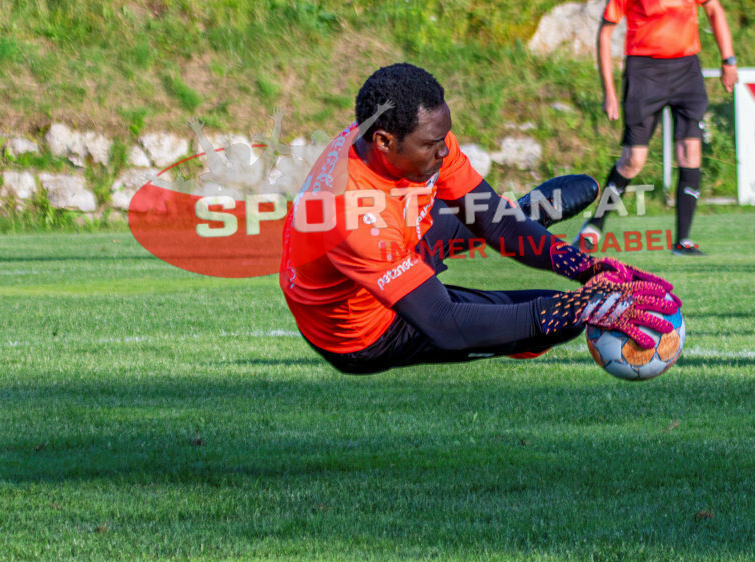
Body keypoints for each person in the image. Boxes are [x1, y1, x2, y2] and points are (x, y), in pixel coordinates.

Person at [279, 63, 680, 375]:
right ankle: (533, 222)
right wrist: (577, 309)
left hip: (390, 235)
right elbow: (445, 323)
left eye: (445, 136)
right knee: (554, 319)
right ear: (384, 141)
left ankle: (527, 212)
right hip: (360, 332)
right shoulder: (350, 214)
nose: (444, 151)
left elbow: (493, 221)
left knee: (495, 218)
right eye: (432, 144)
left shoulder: (404, 135)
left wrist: (584, 266)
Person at [579, 0, 739, 256]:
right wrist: (608, 91)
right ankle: (594, 225)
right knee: (633, 161)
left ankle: (682, 240)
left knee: (690, 152)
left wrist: (728, 60)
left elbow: (714, 9)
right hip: (645, 73)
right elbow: (605, 34)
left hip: (686, 70)